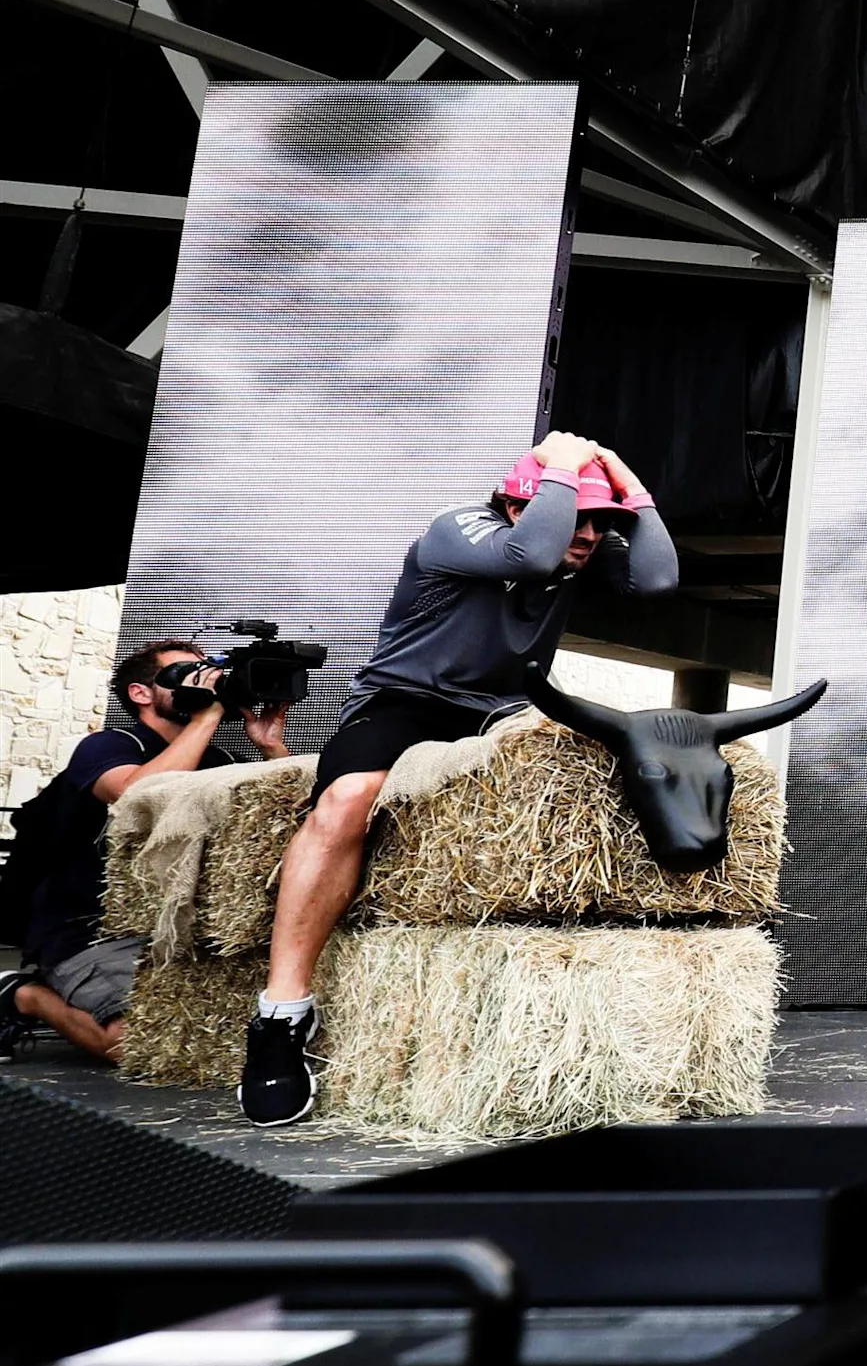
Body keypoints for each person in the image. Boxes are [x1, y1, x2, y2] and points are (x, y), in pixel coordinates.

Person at [242, 430, 677, 1126]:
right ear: (518, 502)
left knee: (578, 770)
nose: (591, 534)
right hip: (405, 699)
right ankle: (280, 1015)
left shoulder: (572, 548)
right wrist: (564, 466)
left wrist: (626, 480)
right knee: (345, 802)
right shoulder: (461, 527)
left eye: (603, 522)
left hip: (502, 708)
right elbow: (529, 551)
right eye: (582, 516)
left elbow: (656, 578)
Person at [3, 640, 291, 1063]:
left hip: (178, 930)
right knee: (134, 1043)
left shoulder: (224, 759)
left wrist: (270, 747)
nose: (204, 683)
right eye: (186, 676)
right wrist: (207, 714)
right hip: (89, 929)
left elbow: (285, 817)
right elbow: (135, 796)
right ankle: (25, 996)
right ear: (141, 693)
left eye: (209, 674)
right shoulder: (110, 746)